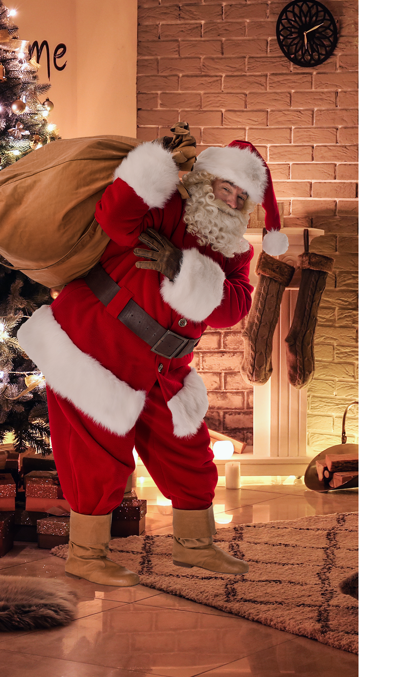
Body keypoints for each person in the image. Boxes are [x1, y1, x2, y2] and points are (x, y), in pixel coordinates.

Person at [18, 137, 288, 587]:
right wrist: (156, 163)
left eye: (242, 198)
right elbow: (115, 216)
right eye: (227, 189)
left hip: (166, 368)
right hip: (96, 348)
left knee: (188, 453)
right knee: (97, 456)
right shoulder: (162, 206)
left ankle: (195, 546)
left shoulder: (237, 252)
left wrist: (180, 266)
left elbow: (234, 307)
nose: (233, 201)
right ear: (204, 181)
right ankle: (85, 554)